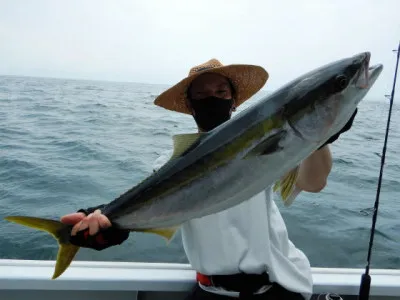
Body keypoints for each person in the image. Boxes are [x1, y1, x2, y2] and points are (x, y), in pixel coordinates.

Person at [61, 59, 357, 300]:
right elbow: (152, 205)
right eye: (201, 96)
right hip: (210, 292)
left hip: (278, 286)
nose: (211, 99)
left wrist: (320, 138)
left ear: (234, 102)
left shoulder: (267, 142)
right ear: (190, 105)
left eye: (220, 92)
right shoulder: (168, 164)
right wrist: (108, 223)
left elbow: (312, 183)